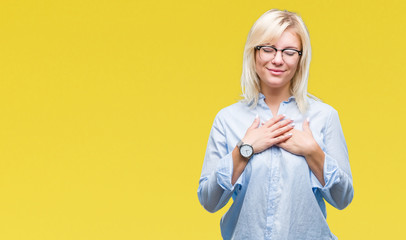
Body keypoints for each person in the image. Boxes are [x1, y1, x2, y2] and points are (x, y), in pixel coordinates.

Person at [197, 9, 354, 240]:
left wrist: (313, 152)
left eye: (289, 52)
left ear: (300, 58)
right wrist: (245, 150)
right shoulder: (227, 119)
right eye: (268, 49)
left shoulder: (324, 116)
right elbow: (209, 201)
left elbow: (342, 199)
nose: (278, 59)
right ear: (254, 52)